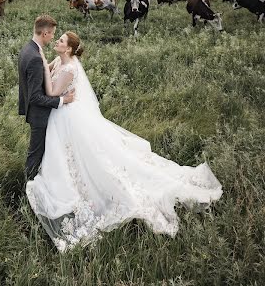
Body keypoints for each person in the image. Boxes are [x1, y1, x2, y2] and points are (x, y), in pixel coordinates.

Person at [26, 31, 223, 252]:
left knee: (84, 157)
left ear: (69, 49)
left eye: (61, 41)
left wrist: (43, 66)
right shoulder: (61, 60)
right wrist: (46, 64)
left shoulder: (70, 68)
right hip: (64, 116)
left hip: (68, 117)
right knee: (68, 155)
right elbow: (52, 71)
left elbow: (52, 91)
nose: (57, 41)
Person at [18, 15, 75, 182]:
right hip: (39, 114)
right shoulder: (35, 58)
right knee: (35, 153)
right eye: (53, 34)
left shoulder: (28, 49)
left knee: (42, 151)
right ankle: (29, 186)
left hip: (35, 111)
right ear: (45, 33)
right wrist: (62, 100)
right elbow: (35, 96)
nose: (53, 38)